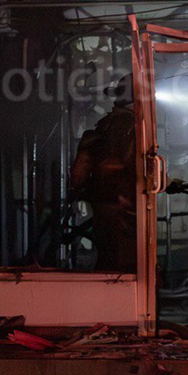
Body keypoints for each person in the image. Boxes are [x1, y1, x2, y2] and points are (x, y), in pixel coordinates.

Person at [71, 74, 137, 272]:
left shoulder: (102, 127)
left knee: (107, 262)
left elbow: (78, 176)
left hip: (101, 210)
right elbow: (142, 171)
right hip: (127, 212)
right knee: (126, 267)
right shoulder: (135, 129)